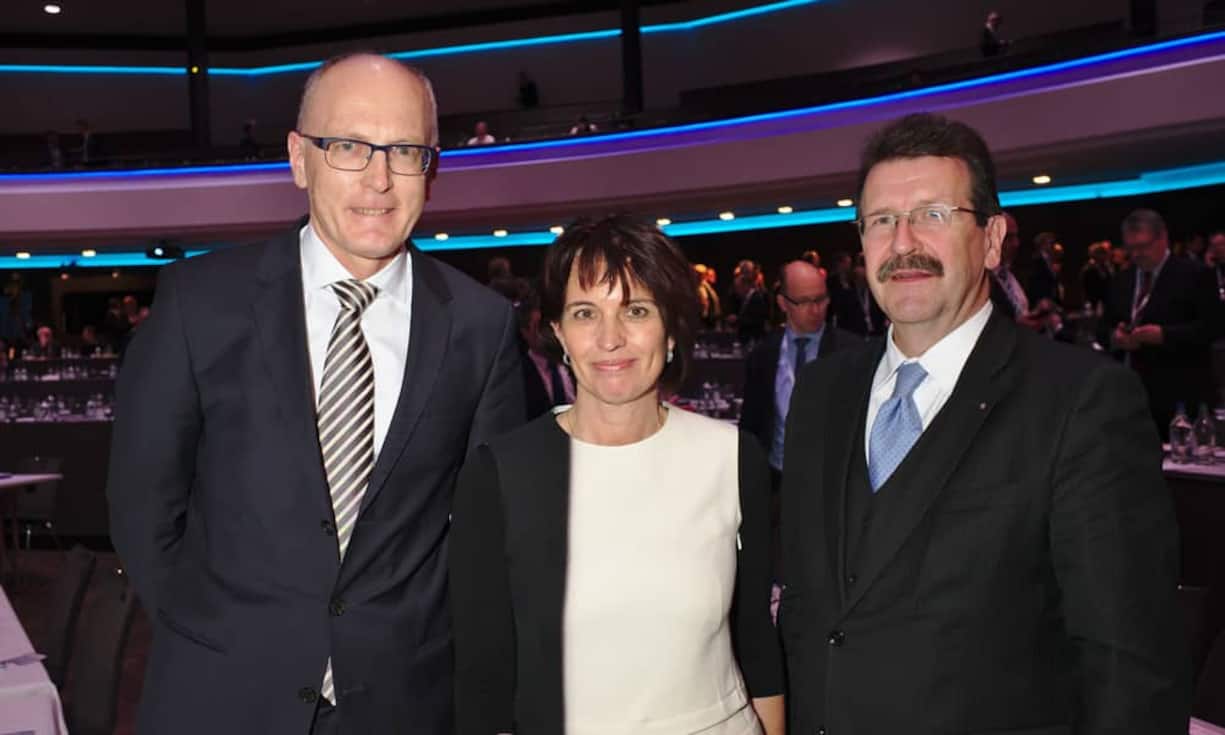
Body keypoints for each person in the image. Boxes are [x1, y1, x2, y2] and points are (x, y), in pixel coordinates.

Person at [107, 53, 526, 735]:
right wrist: (220, 637)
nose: (379, 178)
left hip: (404, 704)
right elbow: (141, 504)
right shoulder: (199, 304)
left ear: (434, 166)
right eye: (349, 146)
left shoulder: (480, 326)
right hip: (219, 697)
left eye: (406, 150)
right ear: (299, 159)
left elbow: (485, 536)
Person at [778, 112, 1189, 734]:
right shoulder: (821, 392)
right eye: (881, 221)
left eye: (934, 215)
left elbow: (1127, 660)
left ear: (992, 239)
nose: (903, 242)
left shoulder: (1082, 401)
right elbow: (811, 609)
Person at [451, 215, 784, 735]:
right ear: (558, 331)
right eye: (586, 312)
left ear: (671, 327)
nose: (611, 338)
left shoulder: (734, 457)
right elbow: (483, 677)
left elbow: (757, 640)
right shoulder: (500, 473)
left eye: (635, 310)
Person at [1101, 208, 1223, 438]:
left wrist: (1164, 335)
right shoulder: (1120, 281)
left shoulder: (1194, 274)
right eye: (1131, 248)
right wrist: (1114, 337)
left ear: (1163, 238)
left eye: (1143, 246)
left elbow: (1213, 328)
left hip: (1180, 394)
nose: (1137, 254)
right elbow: (1102, 328)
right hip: (1129, 395)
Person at [740, 260, 858, 482]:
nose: (815, 310)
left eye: (821, 300)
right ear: (783, 303)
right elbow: (751, 427)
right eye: (804, 302)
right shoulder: (763, 355)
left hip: (831, 482)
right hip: (776, 481)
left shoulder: (852, 353)